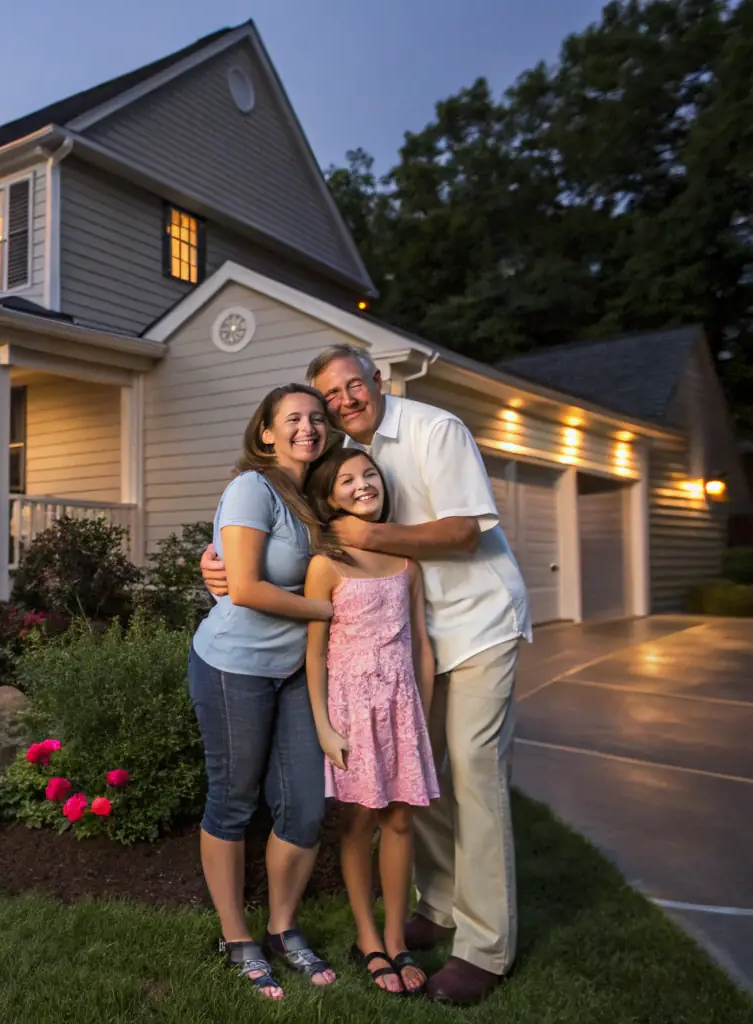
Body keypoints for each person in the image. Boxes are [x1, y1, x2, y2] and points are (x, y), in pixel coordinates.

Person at [201, 344, 530, 1006]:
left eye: (355, 385)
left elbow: (463, 532)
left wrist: (366, 538)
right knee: (422, 782)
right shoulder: (333, 462)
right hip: (402, 648)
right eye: (330, 396)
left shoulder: (433, 430)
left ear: (376, 381)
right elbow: (288, 544)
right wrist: (219, 571)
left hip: (474, 626)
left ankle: (485, 945)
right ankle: (437, 906)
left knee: (471, 775)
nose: (343, 401)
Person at [188, 383, 339, 1001]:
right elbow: (245, 588)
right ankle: (235, 934)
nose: (310, 427)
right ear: (266, 433)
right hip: (234, 665)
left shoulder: (319, 495)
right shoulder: (252, 487)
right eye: (294, 418)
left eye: (318, 417)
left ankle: (282, 926)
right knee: (233, 801)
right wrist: (328, 611)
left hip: (296, 669)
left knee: (304, 807)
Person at [304, 447, 439, 997]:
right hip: (351, 712)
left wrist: (422, 721)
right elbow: (314, 654)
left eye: (369, 474)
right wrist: (323, 726)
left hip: (402, 708)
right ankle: (367, 937)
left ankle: (394, 936)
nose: (363, 484)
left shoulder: (407, 562)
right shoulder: (326, 564)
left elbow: (422, 646)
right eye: (347, 480)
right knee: (360, 822)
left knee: (401, 822)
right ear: (330, 498)